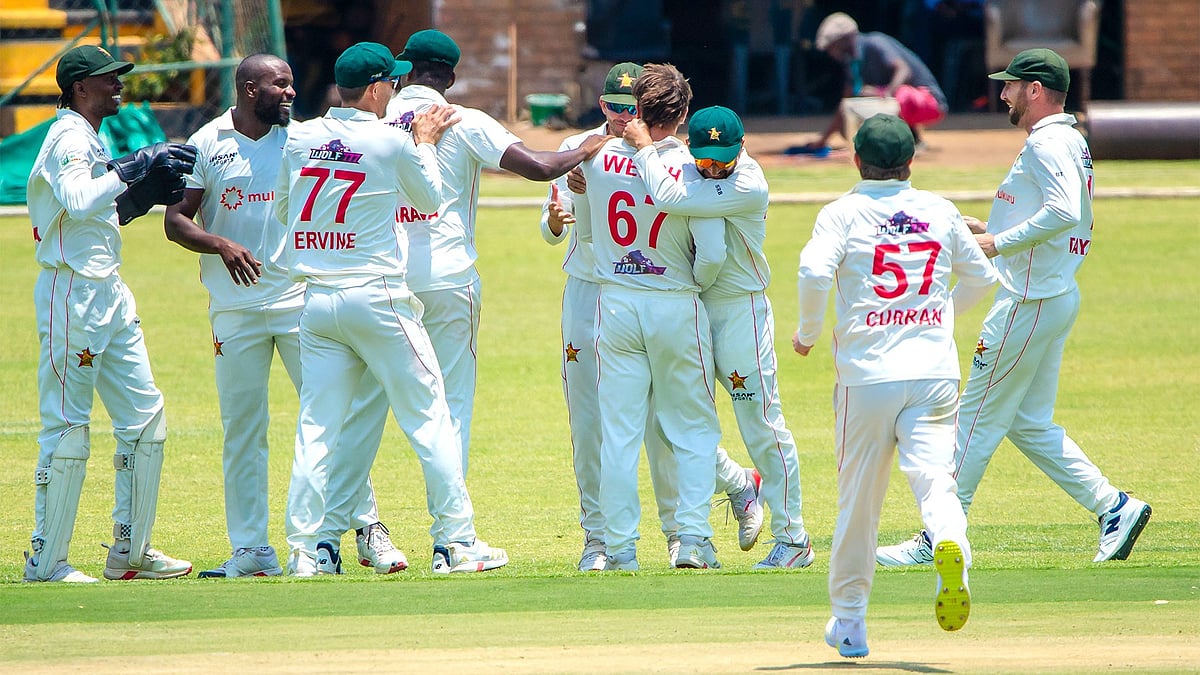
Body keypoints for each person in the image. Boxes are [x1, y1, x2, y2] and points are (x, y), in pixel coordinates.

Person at [876, 48, 1153, 568]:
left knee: (973, 418)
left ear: (1034, 90)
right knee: (1027, 422)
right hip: (1050, 295)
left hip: (1028, 302)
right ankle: (1114, 507)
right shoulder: (1064, 139)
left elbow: (1064, 211)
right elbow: (1049, 212)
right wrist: (989, 230)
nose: (1001, 94)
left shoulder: (1050, 142)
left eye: (1010, 86)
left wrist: (997, 246)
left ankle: (940, 535)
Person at [164, 54, 407, 578]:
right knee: (243, 430)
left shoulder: (301, 141)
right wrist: (221, 244)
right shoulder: (207, 142)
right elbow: (176, 220)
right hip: (234, 309)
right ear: (251, 90)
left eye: (293, 82)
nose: (292, 92)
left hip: (301, 302)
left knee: (329, 422)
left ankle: (365, 530)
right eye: (281, 84)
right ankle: (251, 550)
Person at [274, 41, 506, 576]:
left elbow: (287, 212)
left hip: (317, 302)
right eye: (392, 83)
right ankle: (457, 541)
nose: (396, 91)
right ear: (377, 88)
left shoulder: (300, 136)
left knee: (317, 428)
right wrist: (422, 141)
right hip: (378, 297)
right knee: (431, 417)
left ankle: (309, 550)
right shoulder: (388, 141)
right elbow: (428, 201)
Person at [383, 29, 606, 571]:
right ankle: (452, 542)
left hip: (381, 282)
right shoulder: (465, 120)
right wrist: (589, 145)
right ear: (449, 76)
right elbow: (539, 166)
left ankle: (339, 540)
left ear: (404, 72)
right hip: (448, 279)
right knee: (449, 410)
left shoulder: (372, 124)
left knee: (360, 413)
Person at [795, 114, 997, 656]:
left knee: (859, 501)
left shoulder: (841, 212)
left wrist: (808, 333)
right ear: (911, 161)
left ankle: (850, 624)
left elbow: (814, 274)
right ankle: (950, 541)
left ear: (857, 160)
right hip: (934, 371)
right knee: (935, 482)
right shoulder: (939, 209)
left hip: (867, 378)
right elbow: (984, 276)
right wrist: (939, 317)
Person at [24, 44, 196, 582]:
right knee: (69, 429)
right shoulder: (68, 136)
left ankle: (131, 553)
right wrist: (135, 165)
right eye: (108, 79)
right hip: (71, 294)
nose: (119, 85)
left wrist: (139, 195)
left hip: (108, 291)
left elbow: (96, 217)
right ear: (79, 88)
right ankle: (47, 561)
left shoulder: (88, 134)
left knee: (146, 420)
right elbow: (78, 198)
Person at [623, 105, 816, 569]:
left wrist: (646, 149)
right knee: (672, 422)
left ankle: (794, 539)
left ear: (741, 146)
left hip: (739, 311)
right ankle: (738, 482)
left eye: (721, 161)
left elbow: (675, 205)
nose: (712, 170)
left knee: (760, 423)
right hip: (691, 309)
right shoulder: (693, 172)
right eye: (705, 161)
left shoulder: (748, 183)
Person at [574, 63, 727, 571]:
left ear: (635, 108)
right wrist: (690, 286)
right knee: (693, 429)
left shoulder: (596, 157)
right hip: (673, 300)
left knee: (618, 432)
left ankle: (618, 549)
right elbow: (711, 254)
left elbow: (592, 238)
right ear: (683, 114)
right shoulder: (688, 164)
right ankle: (693, 540)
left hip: (614, 301)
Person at [540, 62, 692, 571]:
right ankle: (598, 539)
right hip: (588, 291)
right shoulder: (582, 148)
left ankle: (677, 532)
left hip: (641, 291)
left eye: (633, 110)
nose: (623, 119)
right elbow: (552, 224)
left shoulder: (666, 154)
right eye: (614, 109)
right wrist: (557, 220)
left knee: (658, 421)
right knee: (590, 422)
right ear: (601, 105)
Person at [805, 12, 947, 149]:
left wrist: (884, 94)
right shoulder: (852, 62)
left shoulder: (875, 42)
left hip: (929, 102)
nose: (830, 52)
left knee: (897, 94)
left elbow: (904, 70)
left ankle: (909, 139)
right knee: (850, 117)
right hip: (897, 101)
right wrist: (823, 139)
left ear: (844, 39)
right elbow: (846, 102)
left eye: (832, 46)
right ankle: (895, 138)